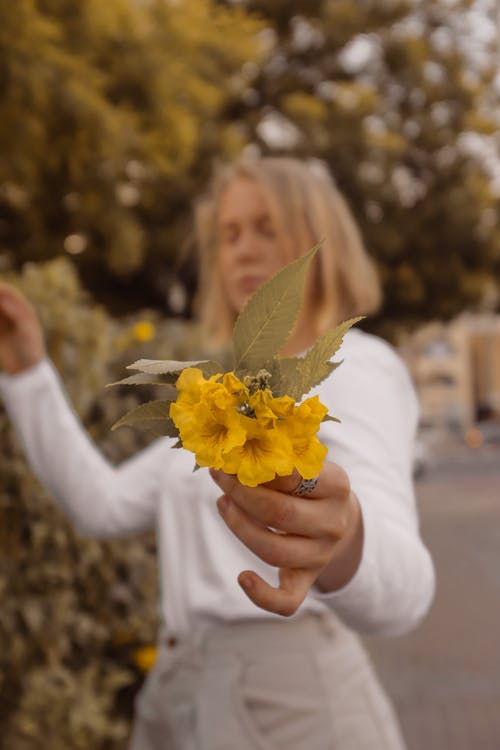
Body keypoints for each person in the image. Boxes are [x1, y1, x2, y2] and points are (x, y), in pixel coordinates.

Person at [0, 156, 435, 750]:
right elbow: (101, 505)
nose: (241, 251)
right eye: (227, 234)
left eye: (266, 227)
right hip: (179, 692)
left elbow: (404, 589)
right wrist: (27, 373)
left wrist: (347, 538)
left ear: (319, 240)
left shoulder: (356, 369)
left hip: (288, 704)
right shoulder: (224, 397)